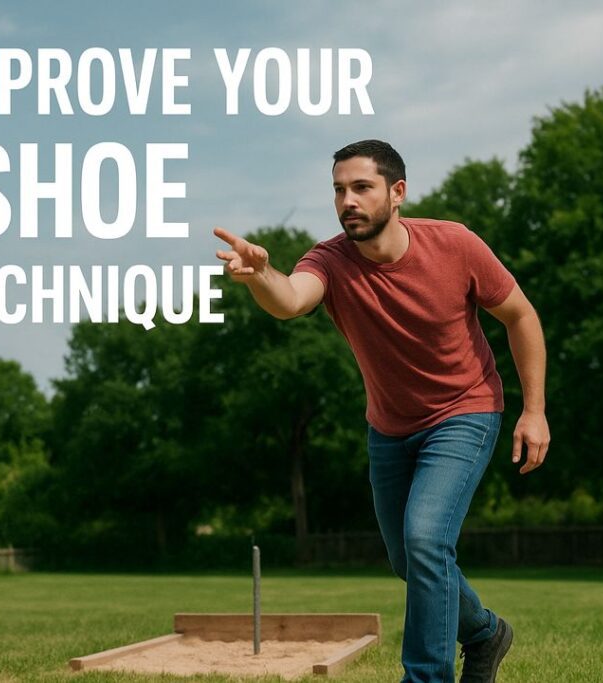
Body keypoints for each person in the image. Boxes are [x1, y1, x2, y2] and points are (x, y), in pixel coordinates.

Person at [214, 139, 550, 683]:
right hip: (391, 428)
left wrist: (534, 411)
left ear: (397, 193)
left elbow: (521, 316)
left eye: (361, 187)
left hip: (465, 411)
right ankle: (485, 633)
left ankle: (424, 677)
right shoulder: (330, 260)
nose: (348, 200)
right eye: (339, 190)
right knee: (409, 561)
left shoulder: (455, 245)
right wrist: (261, 277)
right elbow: (292, 299)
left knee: (424, 542)